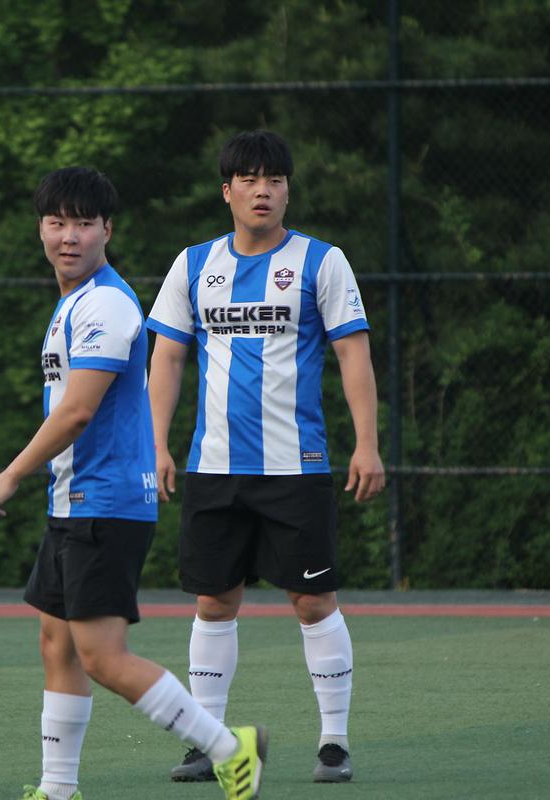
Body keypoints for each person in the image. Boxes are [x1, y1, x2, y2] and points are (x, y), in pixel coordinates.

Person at [0, 166, 267, 800]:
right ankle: (58, 788)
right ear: (40, 229)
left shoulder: (106, 303)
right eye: (57, 222)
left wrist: (12, 474)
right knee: (56, 643)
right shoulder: (73, 303)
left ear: (107, 230)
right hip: (75, 501)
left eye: (84, 223)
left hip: (104, 503)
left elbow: (78, 411)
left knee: (103, 657)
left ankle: (227, 746)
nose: (69, 236)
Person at [146, 131, 386, 784]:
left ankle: (333, 743)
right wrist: (156, 442)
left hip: (295, 468)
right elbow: (168, 356)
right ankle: (207, 742)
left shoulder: (322, 261)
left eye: (275, 180)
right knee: (213, 602)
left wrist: (367, 443)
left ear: (287, 190)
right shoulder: (194, 264)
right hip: (214, 468)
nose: (263, 191)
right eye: (249, 179)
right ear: (227, 191)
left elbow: (353, 355)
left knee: (312, 602)